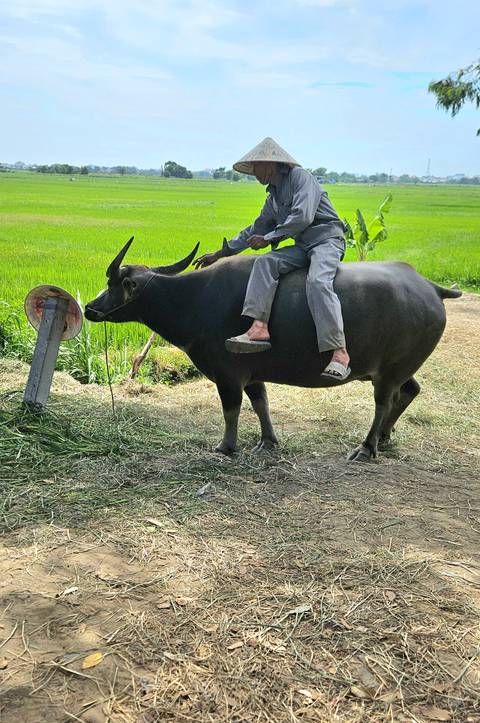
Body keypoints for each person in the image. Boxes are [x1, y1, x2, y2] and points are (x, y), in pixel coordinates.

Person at [194, 137, 350, 380]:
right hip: (302, 245)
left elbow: (303, 216)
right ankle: (259, 328)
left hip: (326, 239)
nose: (254, 173)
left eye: (256, 167)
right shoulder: (273, 197)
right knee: (265, 262)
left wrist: (269, 238)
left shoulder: (301, 178)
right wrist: (221, 253)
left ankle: (340, 353)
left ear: (271, 164)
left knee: (318, 282)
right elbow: (255, 228)